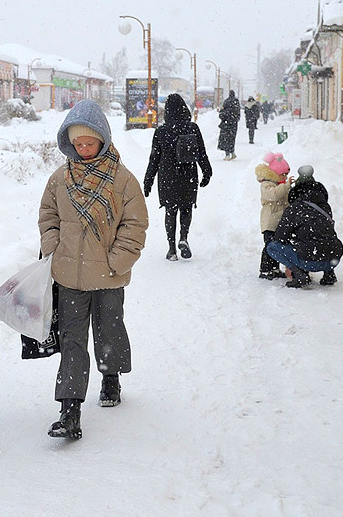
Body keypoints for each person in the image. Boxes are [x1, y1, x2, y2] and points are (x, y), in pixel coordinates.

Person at [38, 99, 148, 440]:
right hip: (69, 276)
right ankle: (69, 411)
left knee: (109, 329)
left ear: (103, 139)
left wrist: (117, 261)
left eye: (89, 142)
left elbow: (135, 224)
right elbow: (47, 215)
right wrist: (54, 248)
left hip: (109, 275)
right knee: (73, 340)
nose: (83, 149)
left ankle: (110, 376)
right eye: (77, 143)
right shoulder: (60, 178)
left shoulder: (122, 179)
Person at [143, 93, 212, 261]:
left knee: (170, 211)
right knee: (186, 208)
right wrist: (207, 172)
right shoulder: (192, 128)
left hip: (167, 177)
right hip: (188, 175)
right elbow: (202, 153)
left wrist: (148, 180)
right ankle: (184, 237)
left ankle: (172, 249)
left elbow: (154, 158)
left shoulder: (161, 131)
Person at [266, 165, 343, 288]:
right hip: (333, 258)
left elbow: (280, 237)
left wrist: (293, 244)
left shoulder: (294, 209)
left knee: (272, 247)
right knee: (323, 239)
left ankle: (299, 273)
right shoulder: (325, 207)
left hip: (309, 260)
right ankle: (329, 274)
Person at [255, 152, 291, 279]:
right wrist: (286, 186)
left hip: (278, 222)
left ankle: (274, 268)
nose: (285, 177)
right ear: (275, 173)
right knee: (269, 245)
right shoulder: (267, 184)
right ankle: (265, 269)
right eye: (283, 174)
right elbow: (274, 195)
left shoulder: (279, 185)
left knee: (276, 245)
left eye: (286, 175)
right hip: (270, 222)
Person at [218, 90, 240, 160]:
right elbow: (238, 113)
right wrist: (235, 119)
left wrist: (223, 115)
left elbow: (221, 114)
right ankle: (233, 153)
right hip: (234, 124)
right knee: (232, 138)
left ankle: (227, 154)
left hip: (226, 124)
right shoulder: (236, 102)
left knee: (226, 139)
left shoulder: (226, 101)